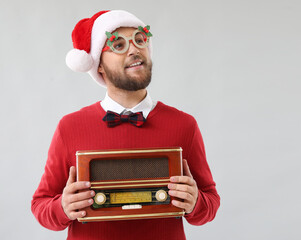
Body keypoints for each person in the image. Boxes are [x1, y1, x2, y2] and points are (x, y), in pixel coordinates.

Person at [31, 10, 220, 239]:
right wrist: (62, 207)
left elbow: (209, 203)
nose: (134, 49)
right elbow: (40, 205)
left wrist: (196, 202)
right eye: (118, 45)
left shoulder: (184, 125)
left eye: (140, 40)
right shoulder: (70, 127)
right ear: (98, 65)